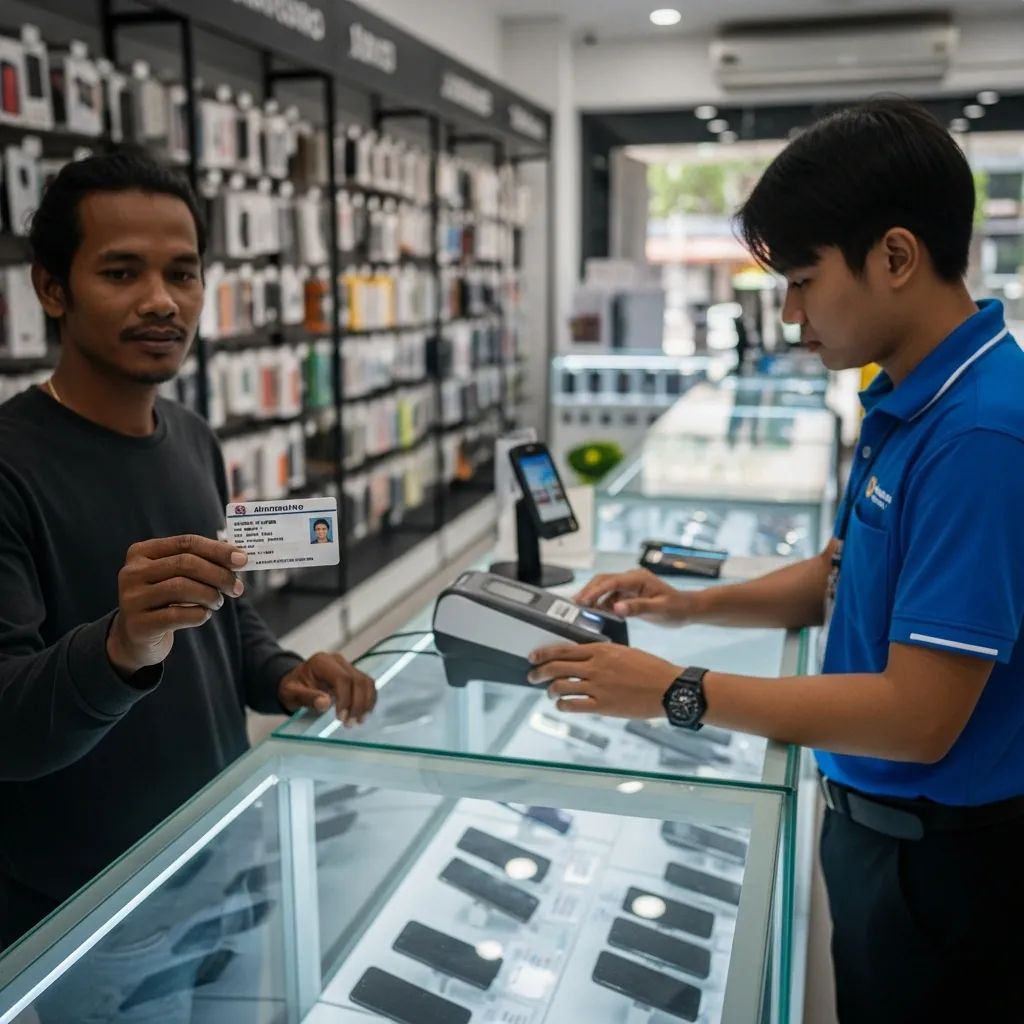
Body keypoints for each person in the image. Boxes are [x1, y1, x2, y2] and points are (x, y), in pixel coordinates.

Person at [529, 98, 1024, 1024]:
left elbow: (920, 719)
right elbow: (839, 572)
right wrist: (686, 604)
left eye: (803, 279)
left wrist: (677, 689)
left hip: (949, 872)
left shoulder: (982, 433)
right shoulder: (910, 396)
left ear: (896, 257)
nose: (791, 315)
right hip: (883, 837)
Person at [0, 153, 376, 950]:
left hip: (222, 839)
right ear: (51, 288)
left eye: (183, 273)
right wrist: (123, 642)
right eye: (122, 272)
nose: (162, 302)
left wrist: (282, 674)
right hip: (96, 905)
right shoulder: (9, 465)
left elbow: (222, 623)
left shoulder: (194, 439)